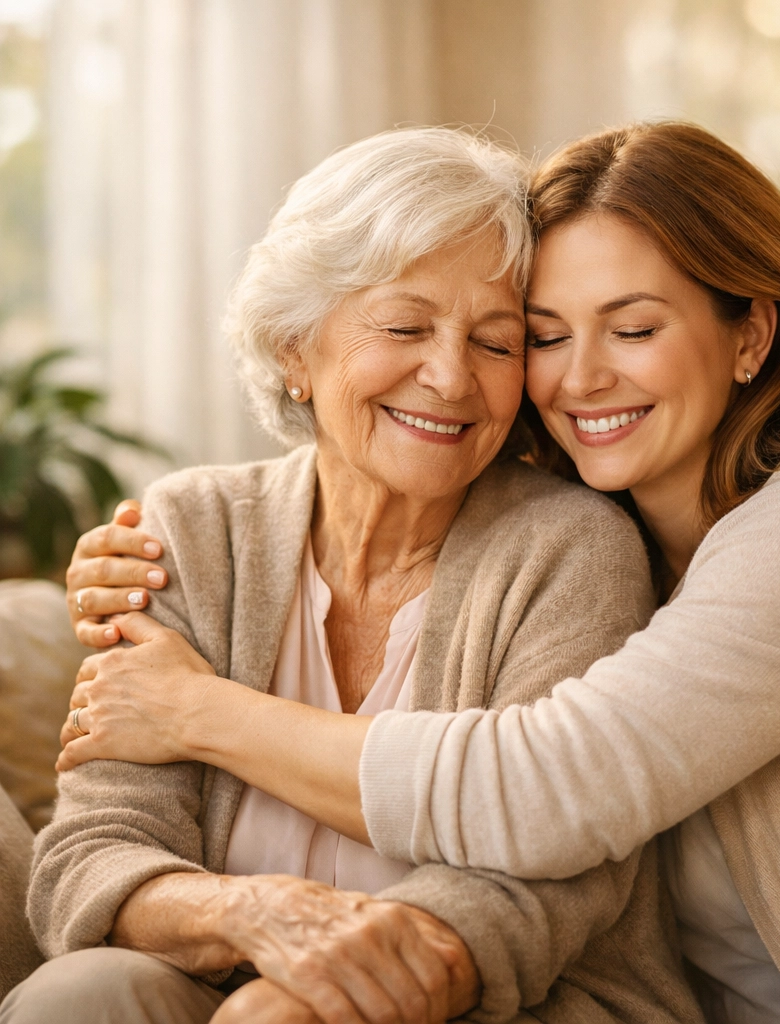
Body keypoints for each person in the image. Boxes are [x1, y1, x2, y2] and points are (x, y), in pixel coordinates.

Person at [55, 122, 780, 1022]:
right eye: (547, 336)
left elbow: (542, 790)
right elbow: (93, 838)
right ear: (293, 346)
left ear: (750, 336)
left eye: (632, 328)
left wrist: (195, 708)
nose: (576, 377)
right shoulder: (629, 536)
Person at [1, 127, 703, 1024]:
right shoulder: (192, 529)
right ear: (296, 349)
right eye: (405, 326)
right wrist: (253, 916)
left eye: (497, 343)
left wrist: (331, 988)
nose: (451, 378)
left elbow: (548, 878)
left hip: (509, 1000)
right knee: (84, 991)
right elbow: (94, 849)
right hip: (218, 981)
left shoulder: (571, 549)